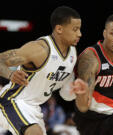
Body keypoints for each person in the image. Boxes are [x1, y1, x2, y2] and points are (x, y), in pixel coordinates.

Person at [0, 6, 84, 135]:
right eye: (75, 29)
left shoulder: (72, 54)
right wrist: (10, 74)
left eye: (79, 29)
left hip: (34, 108)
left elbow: (66, 95)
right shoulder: (40, 49)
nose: (79, 34)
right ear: (59, 29)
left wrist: (74, 89)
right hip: (12, 100)